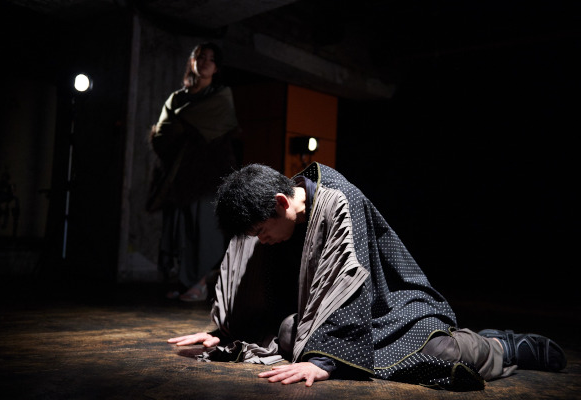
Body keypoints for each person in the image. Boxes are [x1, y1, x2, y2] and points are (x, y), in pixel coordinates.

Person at [168, 163, 566, 389]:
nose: (262, 240)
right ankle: (339, 350)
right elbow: (252, 276)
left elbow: (351, 279)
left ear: (281, 202)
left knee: (439, 353)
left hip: (389, 307)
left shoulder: (338, 200)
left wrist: (325, 362)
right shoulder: (280, 218)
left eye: (261, 231)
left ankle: (501, 346)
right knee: (288, 332)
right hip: (332, 320)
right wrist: (226, 331)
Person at [149, 42, 239, 301]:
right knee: (180, 226)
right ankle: (183, 280)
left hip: (208, 172)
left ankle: (199, 284)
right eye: (200, 57)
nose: (205, 62)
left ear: (217, 67)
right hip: (179, 172)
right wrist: (184, 125)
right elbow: (163, 132)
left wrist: (183, 123)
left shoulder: (221, 94)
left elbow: (217, 122)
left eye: (211, 58)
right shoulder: (177, 97)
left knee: (203, 226)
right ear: (192, 61)